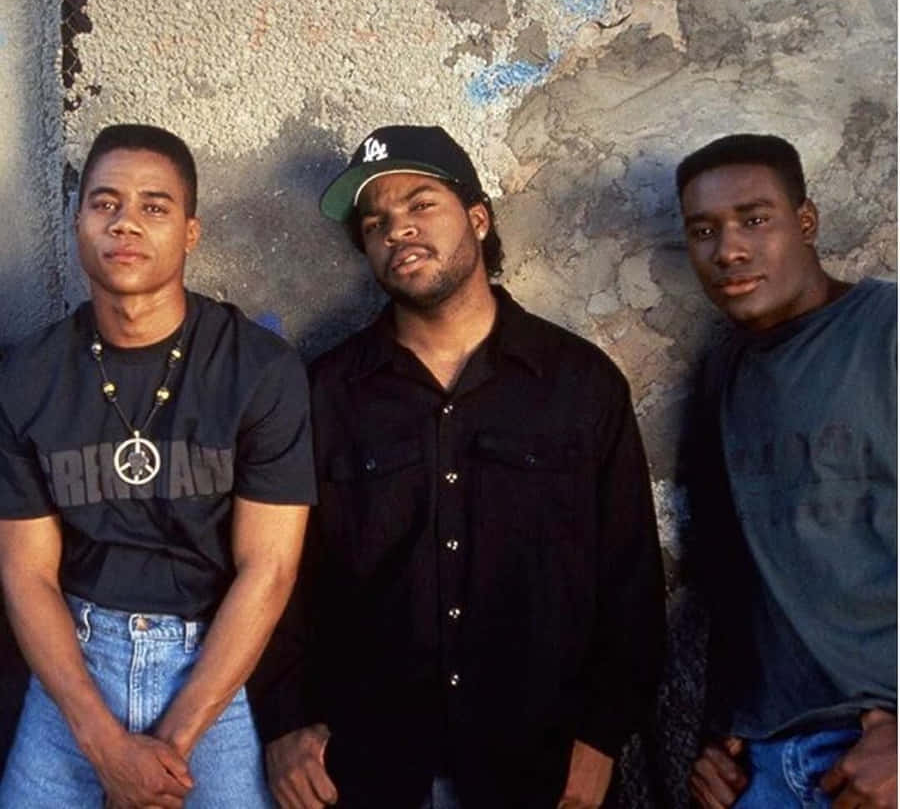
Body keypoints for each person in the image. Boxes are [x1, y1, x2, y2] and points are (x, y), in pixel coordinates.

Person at [253, 125, 665, 809]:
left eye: (421, 204)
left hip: (541, 769)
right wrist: (283, 724)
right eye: (375, 222)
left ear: (478, 217)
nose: (397, 229)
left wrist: (602, 736)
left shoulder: (579, 384)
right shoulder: (325, 393)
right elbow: (276, 572)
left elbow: (630, 579)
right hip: (368, 770)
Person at [0, 123, 316, 807]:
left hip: (213, 666)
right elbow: (26, 573)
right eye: (104, 203)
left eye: (154, 206)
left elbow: (269, 568)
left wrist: (167, 751)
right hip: (74, 666)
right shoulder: (27, 375)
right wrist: (106, 749)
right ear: (77, 224)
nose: (125, 223)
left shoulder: (259, 369)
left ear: (191, 232)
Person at [677, 133, 897, 809]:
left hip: (881, 751)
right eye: (704, 231)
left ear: (806, 222)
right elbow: (732, 575)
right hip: (764, 763)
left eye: (754, 219)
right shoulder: (722, 373)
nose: (728, 250)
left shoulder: (886, 331)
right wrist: (716, 731)